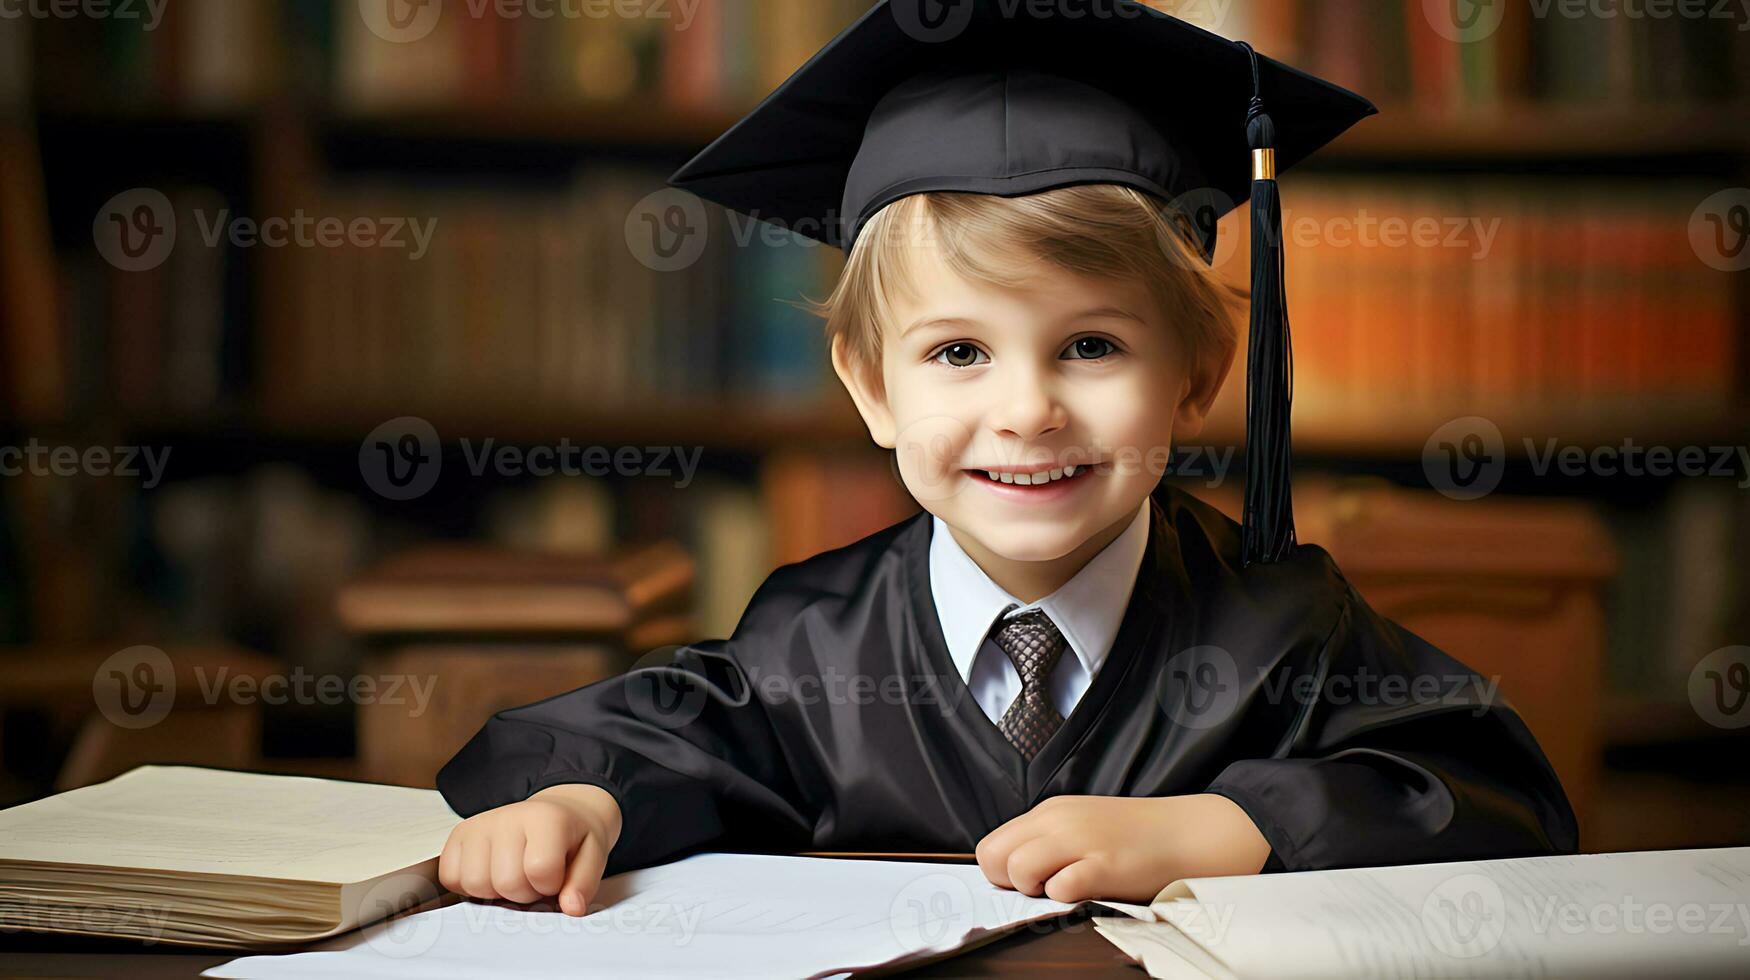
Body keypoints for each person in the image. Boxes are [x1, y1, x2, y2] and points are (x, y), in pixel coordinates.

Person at [434, 0, 1578, 916]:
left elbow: (1495, 796)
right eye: (958, 351)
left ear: (1195, 373)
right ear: (870, 389)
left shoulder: (1280, 622)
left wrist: (1224, 828)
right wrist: (580, 804)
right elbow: (670, 738)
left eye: (1090, 344)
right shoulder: (814, 637)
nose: (1026, 411)